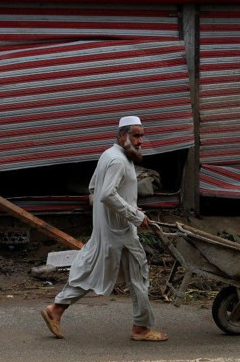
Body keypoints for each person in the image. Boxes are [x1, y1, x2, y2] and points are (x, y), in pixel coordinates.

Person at [40, 116, 168, 342]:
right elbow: (107, 194)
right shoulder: (118, 161)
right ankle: (141, 328)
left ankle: (55, 310)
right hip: (121, 232)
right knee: (139, 276)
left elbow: (94, 188)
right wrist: (135, 215)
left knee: (91, 273)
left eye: (142, 136)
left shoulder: (109, 155)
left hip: (107, 230)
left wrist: (125, 207)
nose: (140, 141)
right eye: (136, 136)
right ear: (122, 136)